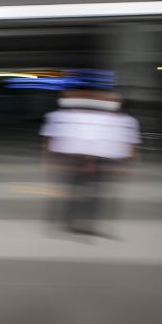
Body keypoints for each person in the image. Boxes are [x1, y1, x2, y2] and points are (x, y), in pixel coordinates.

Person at [40, 91, 141, 236]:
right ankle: (69, 220)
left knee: (98, 193)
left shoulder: (127, 121)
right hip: (72, 159)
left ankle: (84, 221)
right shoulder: (59, 117)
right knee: (72, 191)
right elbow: (49, 140)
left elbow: (132, 144)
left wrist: (132, 164)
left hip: (107, 162)